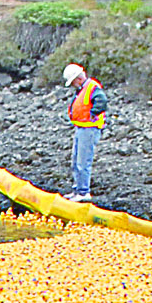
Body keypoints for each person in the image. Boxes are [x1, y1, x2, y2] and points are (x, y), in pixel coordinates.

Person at [62, 62, 107, 200]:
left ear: (78, 79)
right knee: (76, 161)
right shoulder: (83, 88)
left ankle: (83, 192)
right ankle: (77, 190)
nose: (72, 86)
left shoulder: (92, 88)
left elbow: (102, 101)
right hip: (81, 127)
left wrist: (93, 114)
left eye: (72, 82)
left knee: (83, 162)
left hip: (89, 128)